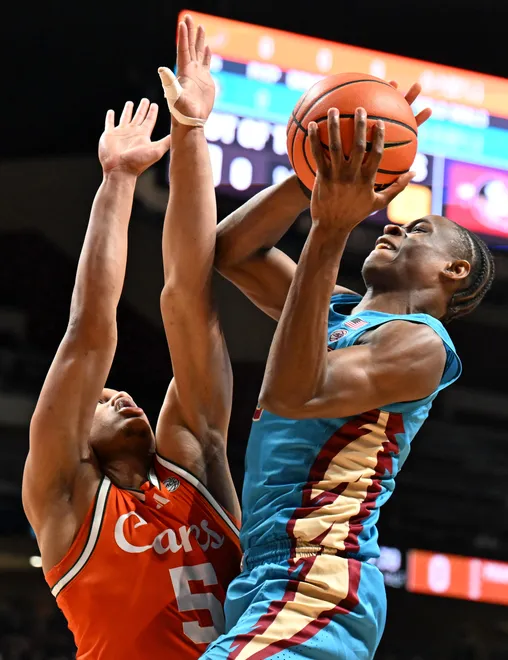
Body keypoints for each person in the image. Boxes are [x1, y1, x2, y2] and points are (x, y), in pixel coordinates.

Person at [204, 101, 495, 658]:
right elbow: (231, 252)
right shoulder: (336, 314)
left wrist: (331, 228)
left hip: (319, 582)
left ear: (453, 271)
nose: (391, 223)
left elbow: (294, 393)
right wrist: (314, 175)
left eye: (418, 230)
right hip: (265, 573)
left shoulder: (420, 342)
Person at [22, 16, 241, 659]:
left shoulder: (195, 459)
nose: (122, 398)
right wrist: (117, 182)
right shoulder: (65, 502)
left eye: (116, 395)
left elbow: (190, 297)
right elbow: (89, 335)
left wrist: (193, 131)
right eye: (102, 400)